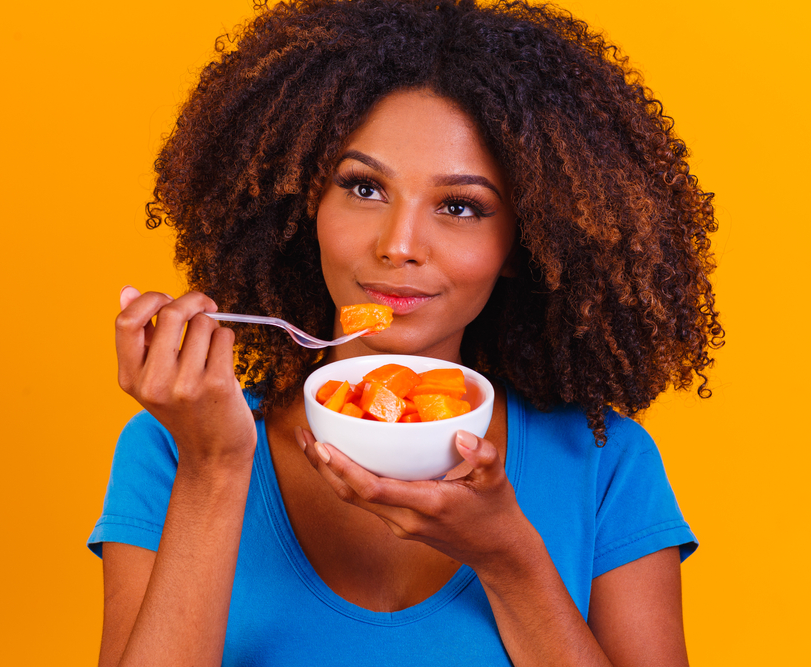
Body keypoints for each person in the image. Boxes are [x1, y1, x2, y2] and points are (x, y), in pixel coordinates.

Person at [88, 1, 723, 665]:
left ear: (522, 244)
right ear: (304, 204)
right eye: (364, 188)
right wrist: (214, 468)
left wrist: (507, 556)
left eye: (459, 206)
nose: (399, 245)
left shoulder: (603, 462)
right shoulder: (178, 446)